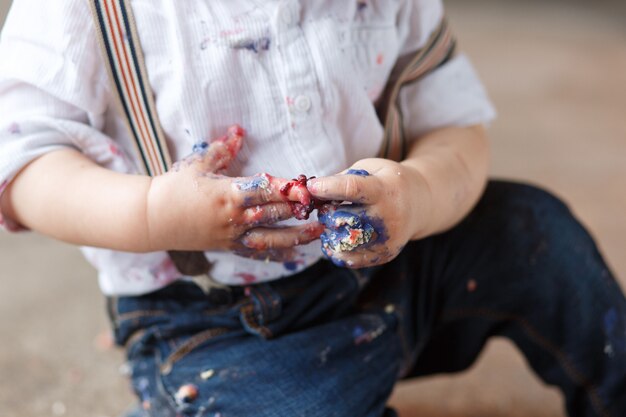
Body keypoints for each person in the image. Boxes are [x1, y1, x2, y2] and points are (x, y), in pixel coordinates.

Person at [0, 1, 624, 416]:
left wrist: (420, 192)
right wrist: (152, 212)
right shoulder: (89, 11)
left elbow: (456, 126)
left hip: (402, 266)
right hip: (218, 326)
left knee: (535, 232)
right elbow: (24, 160)